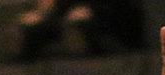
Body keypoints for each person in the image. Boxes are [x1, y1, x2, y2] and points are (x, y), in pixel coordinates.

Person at [8, 0, 144, 60]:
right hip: (66, 16)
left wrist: (91, 10)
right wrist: (42, 13)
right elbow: (52, 8)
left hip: (111, 21)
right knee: (24, 30)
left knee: (78, 26)